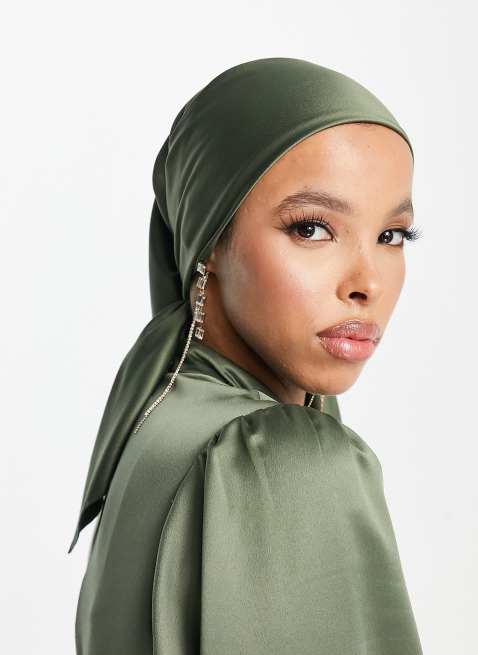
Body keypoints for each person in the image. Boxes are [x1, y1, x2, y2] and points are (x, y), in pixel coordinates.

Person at [68, 57, 424, 654]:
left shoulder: (157, 418)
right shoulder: (276, 456)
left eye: (392, 236)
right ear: (209, 239)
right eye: (311, 228)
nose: (368, 283)